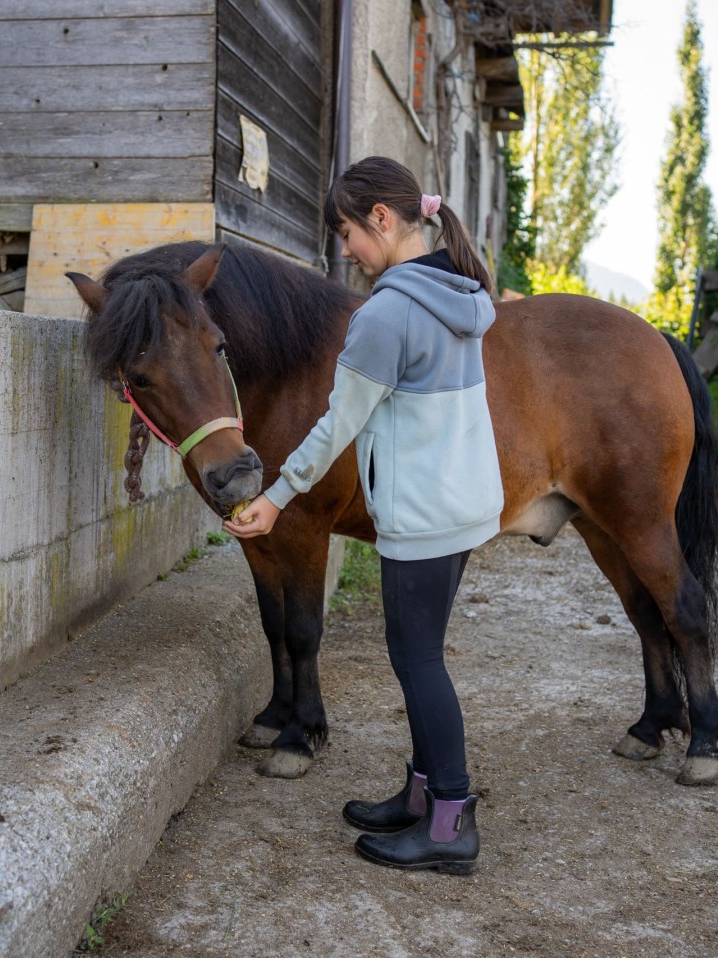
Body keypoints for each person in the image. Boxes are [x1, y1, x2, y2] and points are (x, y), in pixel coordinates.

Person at [224, 155, 503, 874]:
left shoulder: (388, 312)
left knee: (418, 664)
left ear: (383, 219)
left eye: (348, 232)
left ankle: (449, 821)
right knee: (422, 660)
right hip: (461, 503)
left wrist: (274, 500)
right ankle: (422, 796)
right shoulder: (460, 290)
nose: (345, 250)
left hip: (420, 514)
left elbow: (334, 427)